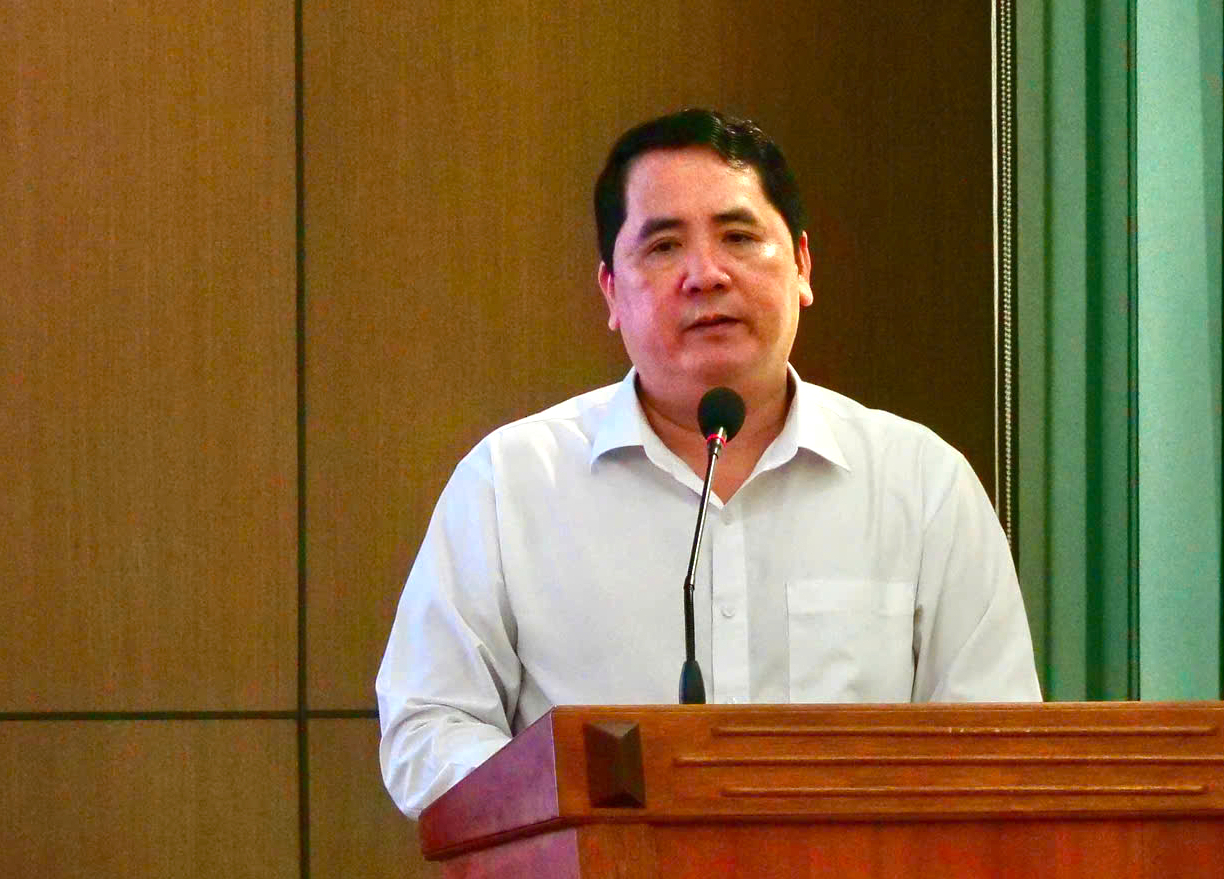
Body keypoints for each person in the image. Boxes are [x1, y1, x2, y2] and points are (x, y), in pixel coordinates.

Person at [376, 109, 1041, 819]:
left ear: (803, 266)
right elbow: (427, 726)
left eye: (739, 237)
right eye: (664, 246)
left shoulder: (923, 484)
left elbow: (999, 746)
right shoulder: (511, 483)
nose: (706, 274)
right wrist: (573, 809)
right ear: (611, 292)